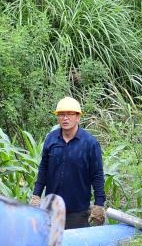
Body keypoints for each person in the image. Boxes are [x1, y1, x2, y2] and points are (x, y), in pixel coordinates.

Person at [29, 96, 106, 229]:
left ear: (78, 117)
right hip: (51, 209)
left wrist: (99, 204)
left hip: (78, 211)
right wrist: (36, 195)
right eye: (61, 114)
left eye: (70, 114)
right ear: (57, 117)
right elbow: (44, 169)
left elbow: (97, 175)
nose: (65, 118)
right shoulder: (51, 139)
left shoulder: (90, 143)